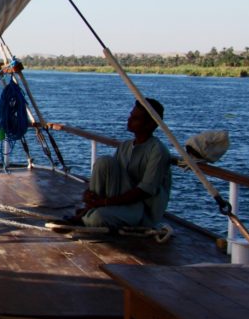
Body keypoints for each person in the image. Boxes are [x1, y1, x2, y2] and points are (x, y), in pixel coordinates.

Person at [61, 98, 172, 229]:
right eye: (131, 115)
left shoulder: (158, 151)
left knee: (98, 218)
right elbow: (111, 177)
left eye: (135, 118)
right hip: (119, 204)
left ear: (150, 124)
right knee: (104, 161)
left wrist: (104, 202)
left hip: (140, 212)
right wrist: (89, 194)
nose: (129, 120)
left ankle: (88, 214)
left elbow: (144, 191)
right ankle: (88, 210)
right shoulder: (125, 146)